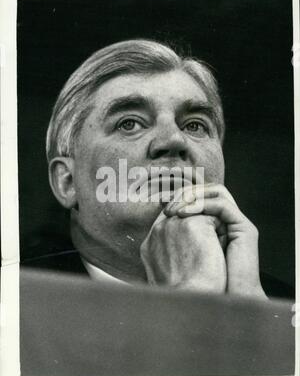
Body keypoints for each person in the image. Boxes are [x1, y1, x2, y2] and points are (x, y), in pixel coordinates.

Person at [30, 39, 287, 298]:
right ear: (68, 182)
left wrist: (251, 312)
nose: (173, 140)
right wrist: (193, 302)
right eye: (130, 123)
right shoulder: (14, 299)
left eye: (194, 125)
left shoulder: (286, 306)